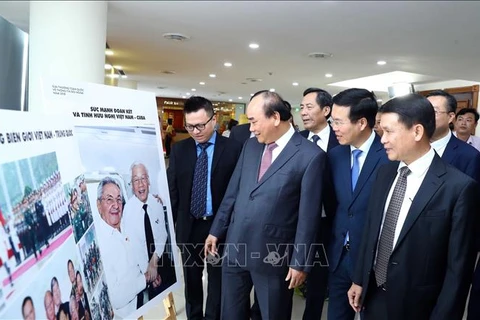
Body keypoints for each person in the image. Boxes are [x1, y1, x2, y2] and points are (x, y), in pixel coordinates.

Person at [348, 93, 478, 319]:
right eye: (382, 131)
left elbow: (458, 269)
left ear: (417, 131)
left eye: (389, 131)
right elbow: (372, 231)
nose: (382, 140)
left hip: (419, 305)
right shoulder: (384, 173)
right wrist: (360, 279)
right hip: (373, 296)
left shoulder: (458, 187)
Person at [205, 90, 325, 320]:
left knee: (273, 314)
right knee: (230, 313)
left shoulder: (310, 156)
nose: (250, 128)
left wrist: (300, 262)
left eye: (253, 121)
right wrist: (216, 230)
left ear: (275, 118)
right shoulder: (251, 147)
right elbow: (233, 192)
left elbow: (308, 217)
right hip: (236, 246)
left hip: (274, 255)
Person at [167, 96, 242, 320]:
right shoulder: (180, 150)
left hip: (219, 229)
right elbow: (173, 193)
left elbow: (237, 192)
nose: (196, 131)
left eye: (201, 125)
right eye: (190, 126)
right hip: (189, 227)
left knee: (217, 281)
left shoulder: (234, 149)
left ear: (214, 119)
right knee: (191, 281)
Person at [326, 88, 389, 320]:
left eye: (339, 122)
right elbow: (334, 206)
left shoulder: (389, 157)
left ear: (362, 122)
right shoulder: (335, 156)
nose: (334, 127)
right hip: (339, 257)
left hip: (374, 263)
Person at [95, 177, 149, 318]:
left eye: (119, 199)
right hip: (128, 313)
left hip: (146, 300)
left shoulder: (126, 224)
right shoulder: (100, 243)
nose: (116, 205)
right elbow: (116, 298)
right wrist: (146, 279)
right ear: (98, 205)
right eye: (109, 199)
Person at [123, 162, 176, 303]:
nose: (140, 184)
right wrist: (150, 273)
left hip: (161, 259)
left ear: (149, 181)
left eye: (143, 178)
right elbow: (134, 247)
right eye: (136, 180)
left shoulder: (156, 202)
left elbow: (162, 234)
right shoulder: (128, 211)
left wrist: (154, 260)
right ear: (132, 185)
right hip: (144, 268)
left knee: (173, 291)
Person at [427, 90, 480, 182]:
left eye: (434, 111)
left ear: (451, 117)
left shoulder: (470, 156)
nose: (425, 116)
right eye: (424, 111)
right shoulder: (408, 146)